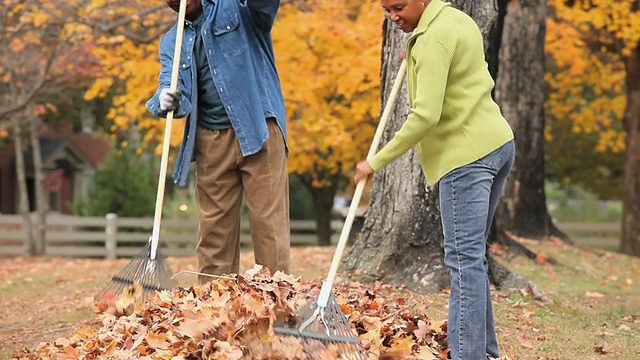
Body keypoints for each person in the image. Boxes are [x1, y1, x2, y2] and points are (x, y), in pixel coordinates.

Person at [354, 0, 515, 359]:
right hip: (497, 143)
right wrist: (415, 62)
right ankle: (485, 350)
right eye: (387, 10)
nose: (394, 17)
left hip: (466, 157)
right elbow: (457, 71)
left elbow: (425, 115)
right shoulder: (456, 20)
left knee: (463, 260)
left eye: (399, 7)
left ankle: (467, 354)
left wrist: (375, 162)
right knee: (473, 257)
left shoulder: (431, 39)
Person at [146, 0, 290, 283]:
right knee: (214, 231)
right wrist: (166, 98)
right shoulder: (171, 41)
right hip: (210, 140)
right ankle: (213, 307)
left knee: (268, 226)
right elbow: (174, 87)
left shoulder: (237, 8)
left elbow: (265, 6)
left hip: (258, 126)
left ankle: (278, 304)